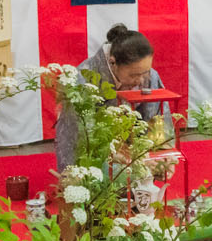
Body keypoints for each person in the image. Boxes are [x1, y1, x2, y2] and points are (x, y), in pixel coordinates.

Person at [55, 24, 169, 169]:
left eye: (145, 72)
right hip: (94, 148)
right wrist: (119, 155)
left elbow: (157, 119)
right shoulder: (82, 80)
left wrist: (162, 155)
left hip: (133, 149)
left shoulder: (149, 75)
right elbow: (81, 135)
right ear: (113, 62)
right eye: (134, 75)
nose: (141, 80)